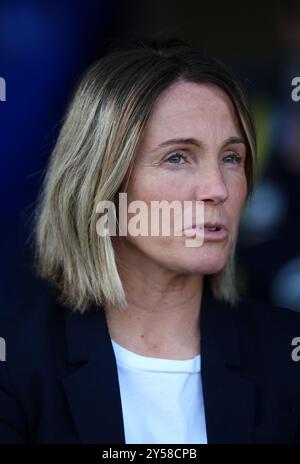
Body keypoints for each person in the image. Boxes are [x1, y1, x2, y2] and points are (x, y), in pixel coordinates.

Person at [0, 38, 300, 444]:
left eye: (231, 158)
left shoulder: (287, 357)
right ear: (101, 182)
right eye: (178, 157)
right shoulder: (16, 363)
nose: (218, 188)